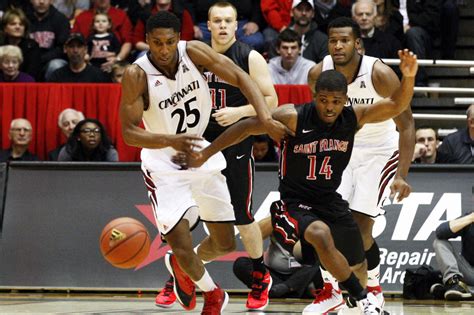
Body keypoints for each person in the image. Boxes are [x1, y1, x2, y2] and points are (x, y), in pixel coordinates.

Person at [173, 49, 418, 315]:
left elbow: (396, 105)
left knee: (358, 261)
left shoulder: (352, 118)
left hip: (329, 199)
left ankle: (359, 302)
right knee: (320, 234)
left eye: (336, 102)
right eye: (324, 100)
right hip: (293, 204)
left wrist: (409, 77)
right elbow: (244, 127)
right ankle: (359, 297)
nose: (329, 107)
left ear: (345, 100)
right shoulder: (293, 117)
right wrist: (206, 154)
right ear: (315, 98)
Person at [119, 11, 288, 315]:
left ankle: (183, 267)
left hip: (201, 152)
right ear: (147, 42)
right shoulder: (137, 74)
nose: (164, 49)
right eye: (157, 43)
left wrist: (263, 116)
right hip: (162, 164)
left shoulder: (193, 52)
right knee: (179, 240)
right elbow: (129, 133)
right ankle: (212, 294)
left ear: (178, 39)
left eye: (170, 42)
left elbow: (240, 77)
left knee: (223, 244)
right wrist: (170, 140)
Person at [307, 17, 415, 311]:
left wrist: (402, 175)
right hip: (341, 151)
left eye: (344, 40)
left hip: (378, 152)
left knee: (360, 227)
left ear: (357, 43)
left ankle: (374, 290)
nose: (338, 46)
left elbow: (406, 124)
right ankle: (332, 291)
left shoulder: (378, 72)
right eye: (333, 40)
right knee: (327, 225)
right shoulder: (319, 73)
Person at [233, 216, 323, 298]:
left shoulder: (318, 216)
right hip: (273, 274)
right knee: (241, 264)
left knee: (320, 261)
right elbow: (256, 235)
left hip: (302, 276)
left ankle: (283, 289)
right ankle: (288, 291)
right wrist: (277, 216)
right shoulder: (279, 211)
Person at [72, 0, 133, 72]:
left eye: (104, 21)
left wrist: (117, 59)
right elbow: (74, 43)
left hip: (116, 64)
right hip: (87, 65)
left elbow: (128, 42)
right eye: (97, 22)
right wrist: (83, 60)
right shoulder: (82, 17)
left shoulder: (121, 15)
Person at [431, 212, 474, 300]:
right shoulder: (470, 219)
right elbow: (440, 232)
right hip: (469, 272)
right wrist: (470, 218)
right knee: (440, 242)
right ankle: (453, 283)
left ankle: (467, 289)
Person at [27, 0, 71, 80]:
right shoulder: (24, 18)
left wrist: (41, 59)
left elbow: (62, 48)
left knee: (56, 65)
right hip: (28, 61)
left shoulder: (61, 19)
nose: (41, 2)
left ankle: (51, 92)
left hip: (50, 61)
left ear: (51, 1)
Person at [0, 8, 42, 79]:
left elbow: (32, 73)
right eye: (13, 24)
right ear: (5, 28)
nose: (18, 27)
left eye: (21, 24)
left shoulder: (32, 46)